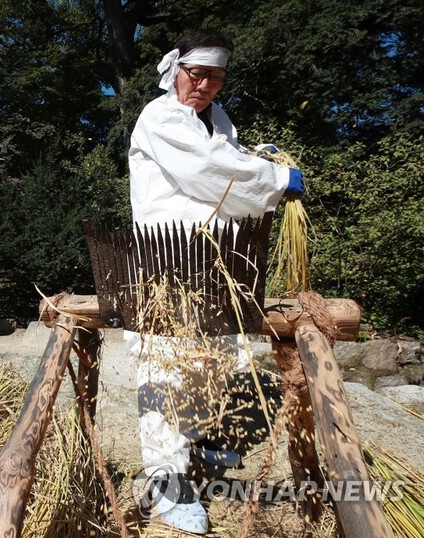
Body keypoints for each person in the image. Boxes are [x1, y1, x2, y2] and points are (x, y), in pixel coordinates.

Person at [127, 29, 304, 533]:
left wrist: (257, 156)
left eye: (216, 78)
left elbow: (225, 158)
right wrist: (273, 179)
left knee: (215, 357)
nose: (204, 85)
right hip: (168, 262)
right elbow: (209, 171)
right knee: (164, 369)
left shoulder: (218, 120)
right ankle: (166, 483)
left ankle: (200, 445)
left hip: (216, 262)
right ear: (175, 71)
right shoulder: (159, 117)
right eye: (197, 74)